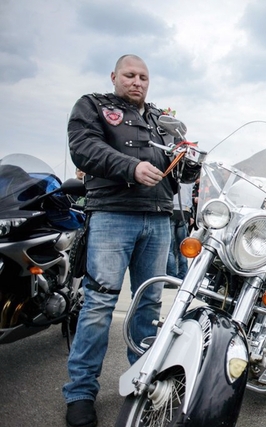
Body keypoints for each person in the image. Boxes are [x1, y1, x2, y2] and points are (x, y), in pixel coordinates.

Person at [63, 54, 179, 427]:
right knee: (98, 305)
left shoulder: (163, 119)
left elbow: (177, 165)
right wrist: (130, 167)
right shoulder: (93, 106)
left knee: (149, 305)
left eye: (143, 77)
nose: (137, 82)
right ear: (114, 76)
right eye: (130, 75)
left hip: (158, 217)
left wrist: (187, 163)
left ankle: (142, 381)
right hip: (112, 214)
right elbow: (84, 148)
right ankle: (80, 392)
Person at [167, 182, 194, 283]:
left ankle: (171, 276)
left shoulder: (173, 176)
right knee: (182, 246)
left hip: (171, 210)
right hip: (185, 212)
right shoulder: (189, 180)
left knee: (169, 247)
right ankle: (183, 274)